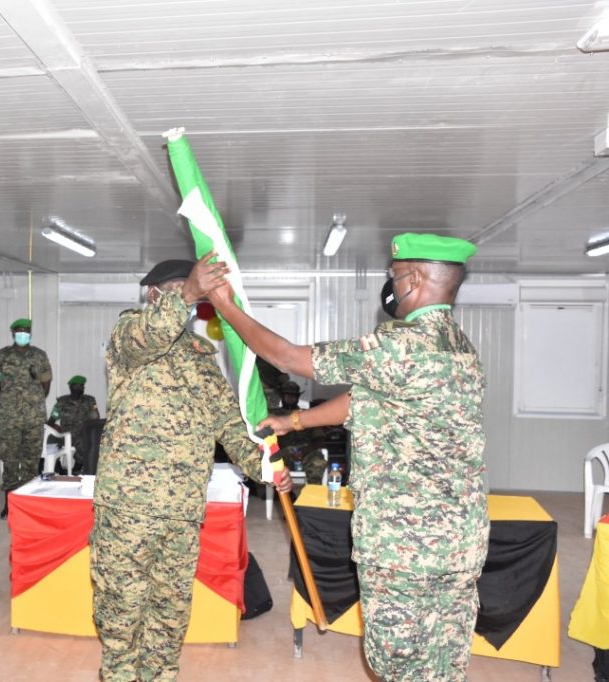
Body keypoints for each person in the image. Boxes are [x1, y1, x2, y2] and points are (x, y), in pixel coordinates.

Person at [199, 233, 488, 682]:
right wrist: (294, 421)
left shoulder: (398, 345)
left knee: (397, 662)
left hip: (405, 545)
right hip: (460, 541)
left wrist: (225, 305)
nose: (391, 285)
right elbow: (364, 399)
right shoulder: (461, 347)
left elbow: (285, 356)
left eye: (394, 275)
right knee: (444, 660)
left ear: (413, 280)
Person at [91, 256, 291, 681]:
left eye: (191, 293)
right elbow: (150, 335)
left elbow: (227, 421)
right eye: (177, 290)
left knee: (169, 616)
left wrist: (263, 466)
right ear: (153, 294)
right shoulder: (130, 333)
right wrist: (186, 294)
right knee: (121, 613)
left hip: (182, 510)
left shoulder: (201, 354)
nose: (188, 300)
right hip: (129, 508)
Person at [0, 318, 51, 518]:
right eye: (20, 331)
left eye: (26, 331)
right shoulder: (1, 356)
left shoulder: (40, 356)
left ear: (30, 334)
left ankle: (28, 504)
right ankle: (10, 503)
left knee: (31, 460)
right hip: (9, 418)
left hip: (33, 418)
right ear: (13, 333)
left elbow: (46, 383)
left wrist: (35, 401)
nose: (23, 334)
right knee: (10, 460)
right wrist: (4, 405)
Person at [47, 375, 100, 470]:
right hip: (65, 435)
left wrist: (93, 411)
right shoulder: (61, 402)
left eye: (81, 386)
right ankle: (56, 466)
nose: (79, 388)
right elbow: (52, 419)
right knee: (50, 440)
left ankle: (77, 469)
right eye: (76, 386)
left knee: (85, 443)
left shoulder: (90, 401)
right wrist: (51, 428)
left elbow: (95, 418)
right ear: (71, 387)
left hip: (83, 434)